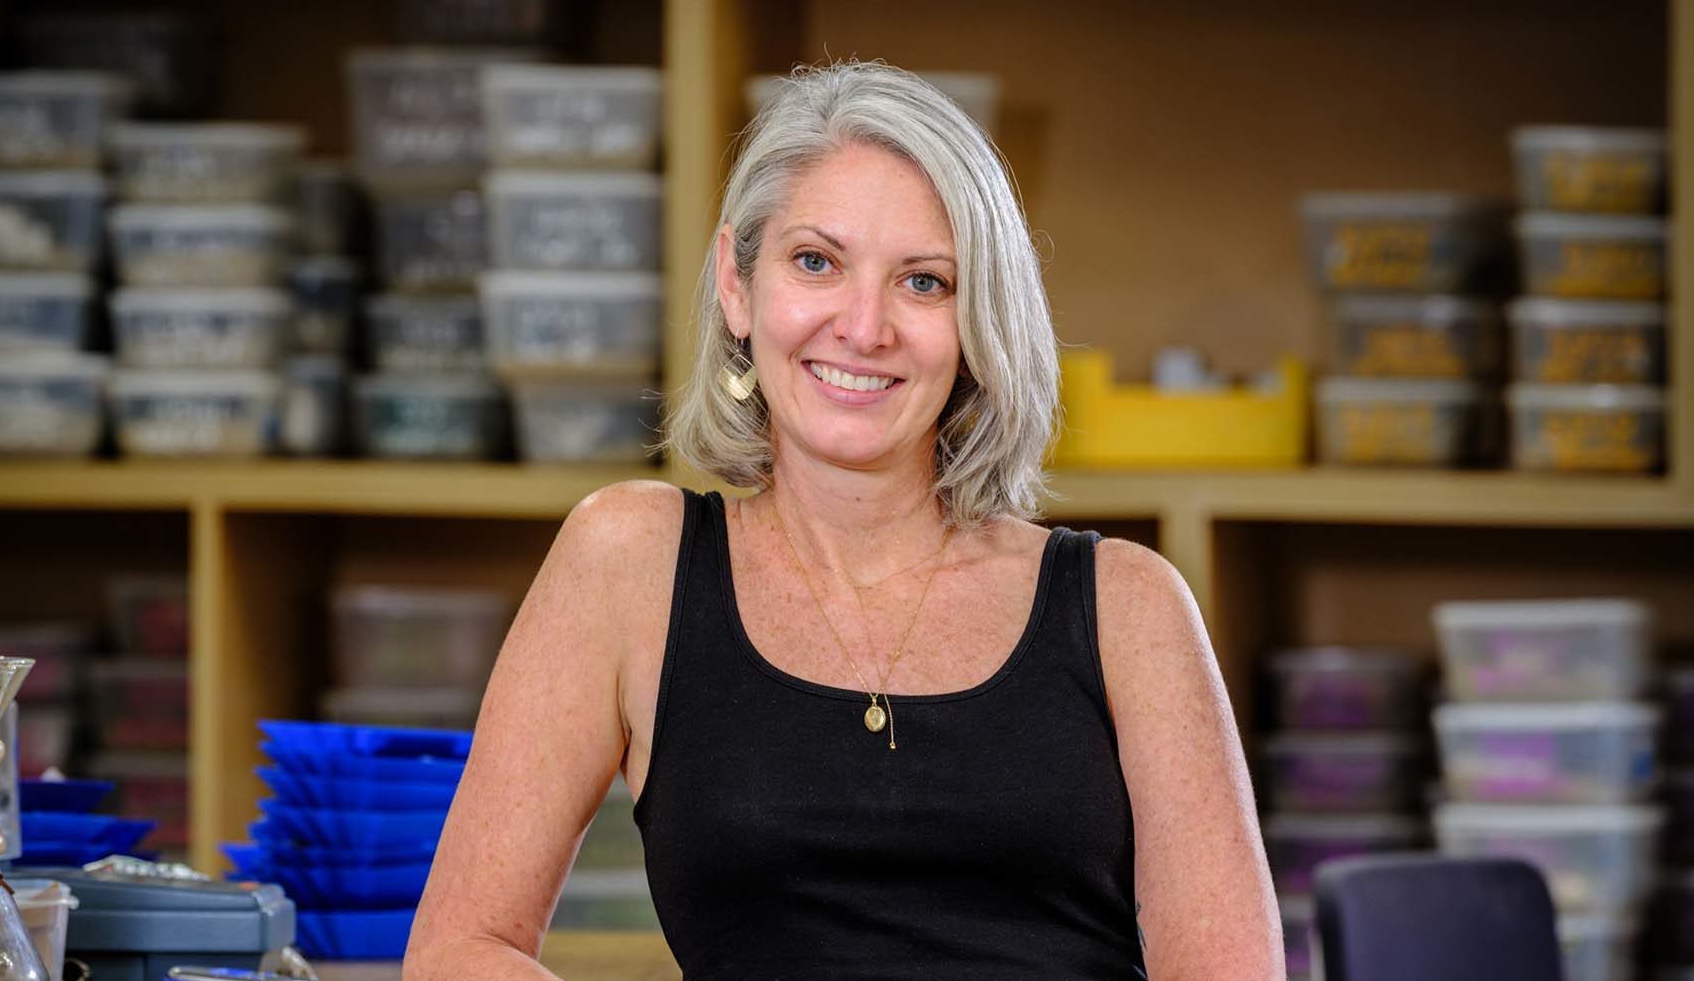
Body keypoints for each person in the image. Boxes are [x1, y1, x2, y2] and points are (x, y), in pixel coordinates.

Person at [405, 62, 1283, 980]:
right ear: (737, 284)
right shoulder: (628, 560)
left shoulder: (1130, 607)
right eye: (815, 262)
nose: (863, 327)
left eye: (925, 282)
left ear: (979, 323)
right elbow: (463, 946)